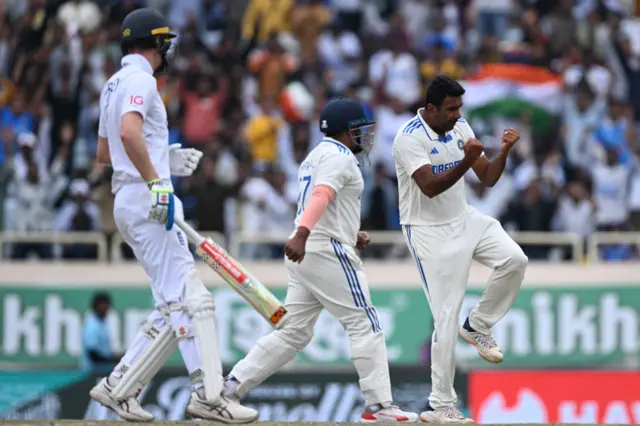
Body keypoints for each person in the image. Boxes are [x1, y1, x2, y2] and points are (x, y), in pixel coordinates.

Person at [88, 8, 257, 423]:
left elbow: (105, 154)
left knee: (174, 303)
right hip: (149, 200)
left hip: (130, 200)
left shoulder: (112, 83)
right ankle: (210, 395)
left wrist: (165, 160)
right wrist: (157, 181)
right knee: (193, 300)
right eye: (165, 42)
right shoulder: (141, 79)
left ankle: (119, 387)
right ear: (154, 43)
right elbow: (128, 133)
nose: (169, 49)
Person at [222, 98, 419, 423]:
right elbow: (321, 196)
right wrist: (301, 233)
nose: (366, 137)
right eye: (361, 130)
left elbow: (324, 202)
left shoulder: (316, 156)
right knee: (364, 322)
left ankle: (229, 390)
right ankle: (380, 407)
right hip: (324, 249)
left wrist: (348, 232)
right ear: (346, 130)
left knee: (293, 333)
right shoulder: (340, 158)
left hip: (312, 250)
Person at [392, 76, 528, 423]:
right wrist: (468, 160)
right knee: (446, 317)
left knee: (515, 259)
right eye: (451, 109)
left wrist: (504, 152)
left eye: (459, 108)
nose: (457, 115)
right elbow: (430, 187)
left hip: (464, 217)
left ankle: (479, 324)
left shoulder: (460, 126)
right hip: (428, 231)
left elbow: (488, 178)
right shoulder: (409, 137)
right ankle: (441, 406)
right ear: (432, 108)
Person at [82, 293, 120, 374]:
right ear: (96, 306)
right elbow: (93, 354)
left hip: (101, 371)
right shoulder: (92, 325)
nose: (107, 309)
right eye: (104, 306)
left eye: (108, 306)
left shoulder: (101, 324)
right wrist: (112, 360)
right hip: (92, 373)